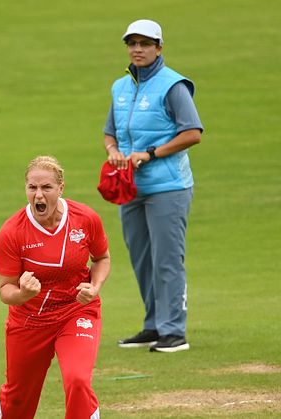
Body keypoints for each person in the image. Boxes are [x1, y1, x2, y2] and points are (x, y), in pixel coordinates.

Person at [103, 19, 204, 353]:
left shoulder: (173, 85)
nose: (138, 49)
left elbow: (192, 133)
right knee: (142, 258)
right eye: (132, 43)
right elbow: (110, 133)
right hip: (131, 187)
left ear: (159, 48)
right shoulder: (120, 87)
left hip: (168, 187)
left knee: (167, 259)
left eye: (145, 44)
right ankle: (154, 325)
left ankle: (174, 331)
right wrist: (114, 152)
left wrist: (150, 153)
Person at [0, 156, 110, 419]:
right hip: (29, 321)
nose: (38, 195)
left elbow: (102, 258)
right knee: (18, 398)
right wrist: (23, 294)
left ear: (61, 188)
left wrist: (95, 286)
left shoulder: (85, 218)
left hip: (76, 312)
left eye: (46, 187)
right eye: (32, 188)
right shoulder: (12, 232)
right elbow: (5, 290)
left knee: (78, 381)